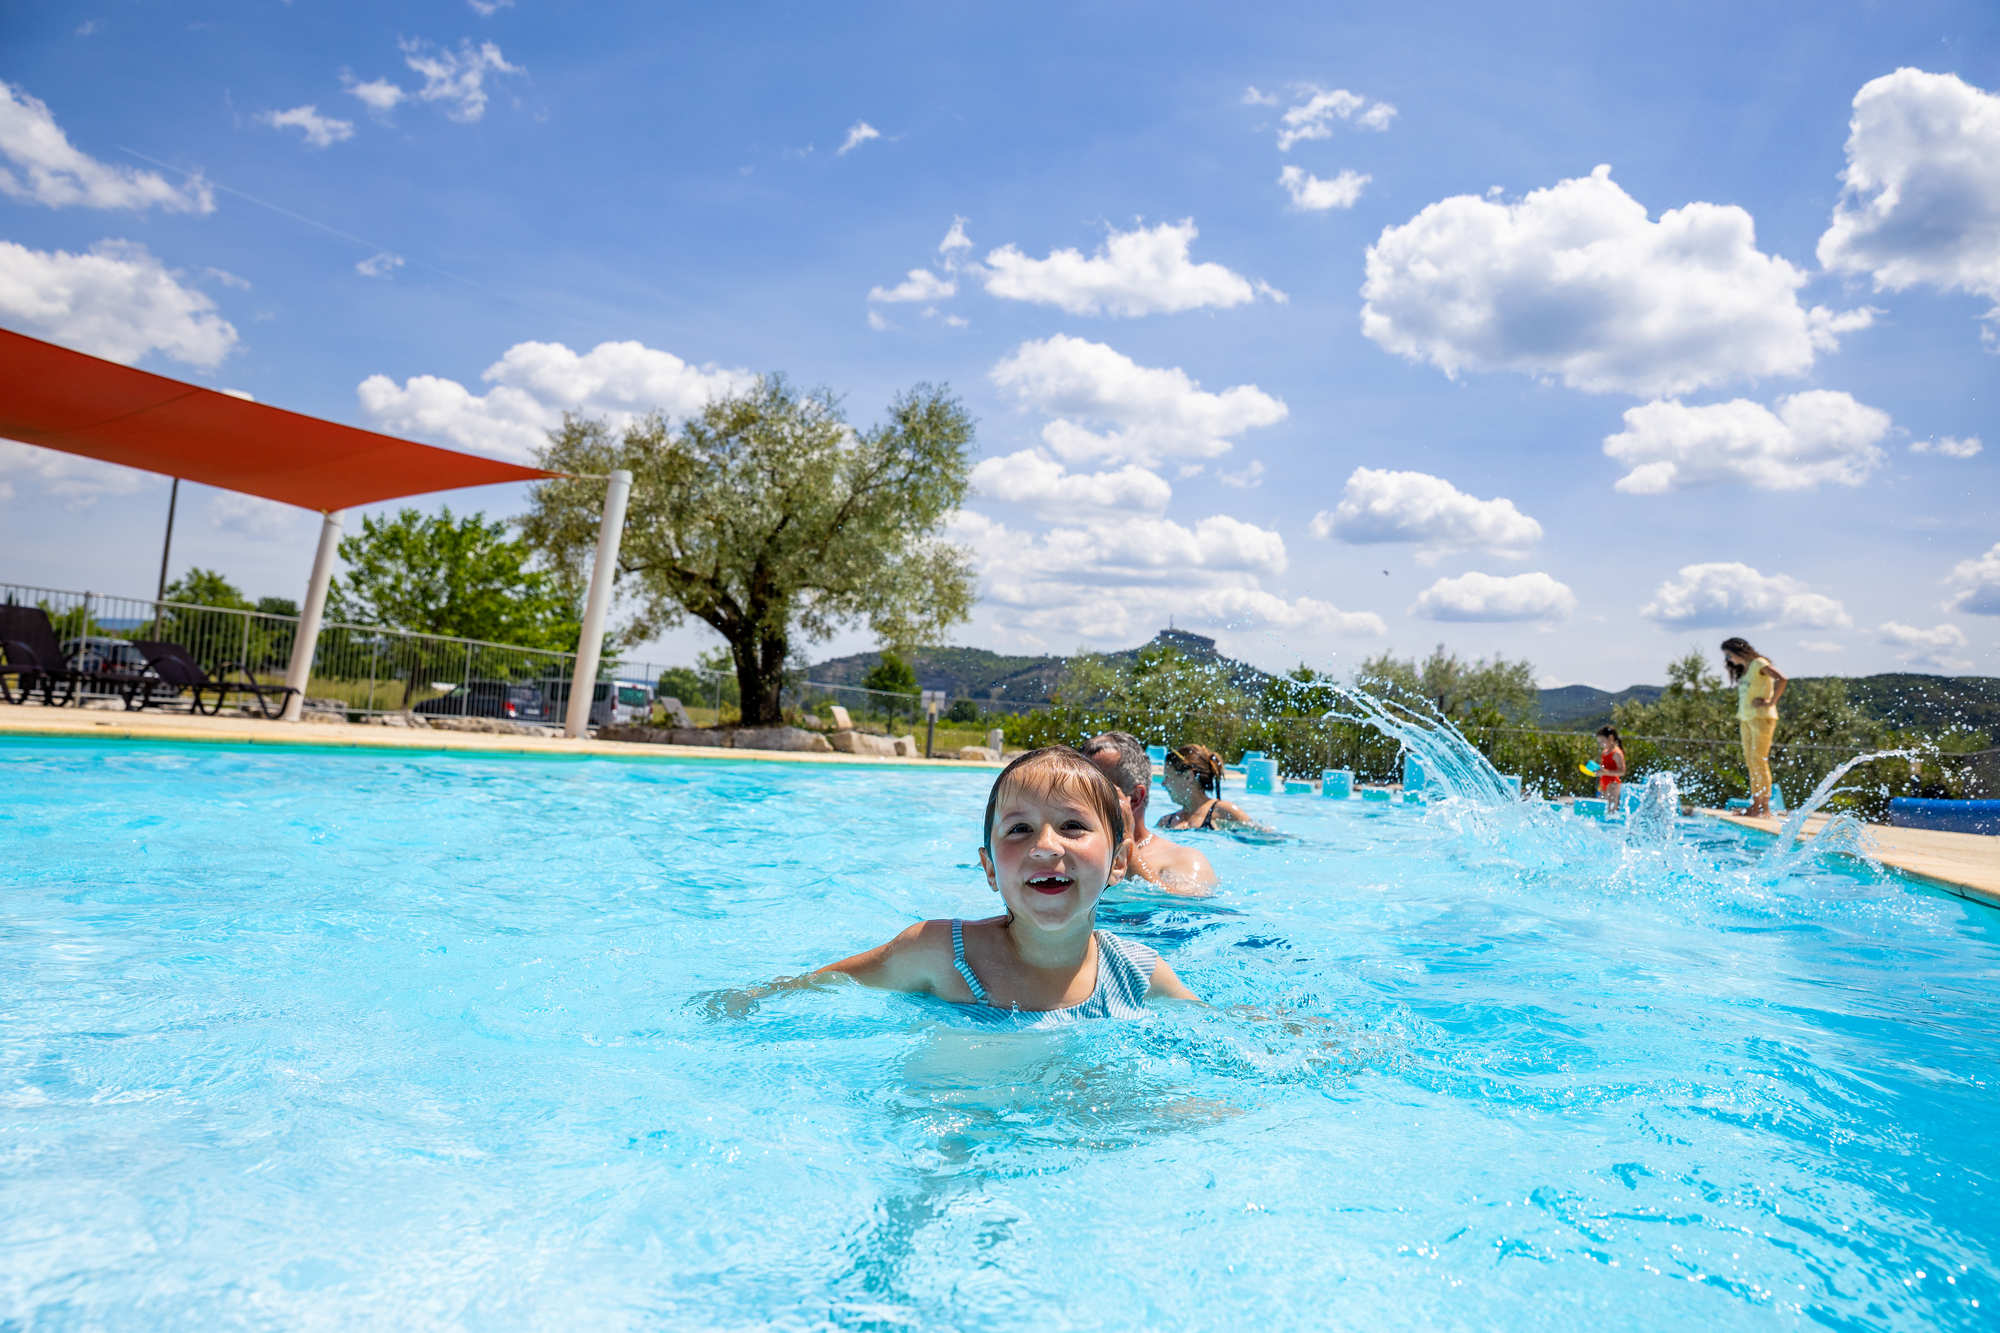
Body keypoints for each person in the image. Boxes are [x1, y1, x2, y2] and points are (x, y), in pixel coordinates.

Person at [719, 746, 1197, 1023]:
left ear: (1118, 863)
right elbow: (820, 988)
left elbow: (1220, 1030)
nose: (1046, 847)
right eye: (1019, 829)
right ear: (990, 869)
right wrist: (741, 1003)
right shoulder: (939, 952)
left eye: (1072, 826)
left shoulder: (1136, 973)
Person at [1079, 731, 1219, 895]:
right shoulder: (1065, 850)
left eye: (1094, 790)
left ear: (1135, 798)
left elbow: (1191, 906)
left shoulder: (1184, 859)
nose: (1078, 798)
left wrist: (1125, 844)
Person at [1722, 636, 1786, 817]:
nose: (1728, 660)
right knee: (1751, 762)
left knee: (1759, 760)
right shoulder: (1745, 669)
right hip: (1746, 719)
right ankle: (1755, 803)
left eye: (1728, 655)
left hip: (1762, 718)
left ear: (1737, 651)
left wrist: (1770, 702)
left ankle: (1763, 806)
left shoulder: (1759, 663)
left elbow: (1782, 679)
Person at [1157, 743, 1256, 833]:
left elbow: (1263, 837)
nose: (1163, 784)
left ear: (1188, 777)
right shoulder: (1165, 823)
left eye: (1168, 777)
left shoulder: (1224, 812)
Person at [1594, 725, 1626, 813]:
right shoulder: (1605, 751)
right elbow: (1606, 767)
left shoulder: (1617, 753)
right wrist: (1599, 770)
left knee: (1611, 811)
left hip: (1613, 784)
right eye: (1599, 742)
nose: (1601, 744)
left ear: (1611, 738)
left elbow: (1622, 771)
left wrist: (1605, 772)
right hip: (1604, 783)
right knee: (1601, 810)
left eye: (1602, 741)